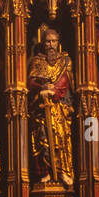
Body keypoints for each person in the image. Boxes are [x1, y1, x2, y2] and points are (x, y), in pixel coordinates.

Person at [27, 27, 74, 186]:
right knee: (42, 137)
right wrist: (41, 88)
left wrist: (53, 91)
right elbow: (31, 82)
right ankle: (46, 171)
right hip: (41, 106)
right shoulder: (37, 61)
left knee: (61, 137)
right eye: (48, 41)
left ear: (58, 42)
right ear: (43, 43)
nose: (51, 45)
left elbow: (66, 81)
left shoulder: (65, 61)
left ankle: (62, 171)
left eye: (54, 41)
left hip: (59, 107)